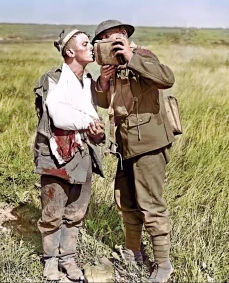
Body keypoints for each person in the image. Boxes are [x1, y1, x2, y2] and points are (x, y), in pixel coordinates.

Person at [92, 20, 176, 283]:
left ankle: (163, 264)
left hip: (149, 143)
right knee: (126, 202)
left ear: (125, 36)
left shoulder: (143, 56)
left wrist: (131, 57)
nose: (110, 40)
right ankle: (133, 252)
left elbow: (166, 79)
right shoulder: (113, 69)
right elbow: (105, 102)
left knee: (150, 204)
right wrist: (103, 82)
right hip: (124, 145)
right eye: (103, 38)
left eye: (114, 35)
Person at [33, 28, 106, 281]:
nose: (92, 48)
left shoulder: (88, 83)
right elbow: (59, 116)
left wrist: (96, 130)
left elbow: (90, 121)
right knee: (53, 211)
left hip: (82, 155)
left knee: (76, 211)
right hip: (55, 156)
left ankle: (68, 258)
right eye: (86, 44)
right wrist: (89, 122)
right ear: (70, 51)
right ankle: (50, 261)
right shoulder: (52, 79)